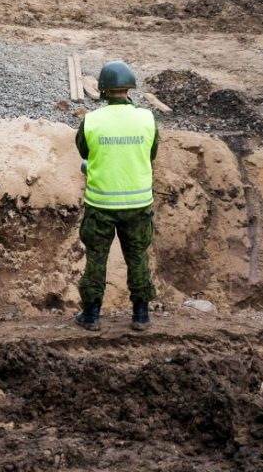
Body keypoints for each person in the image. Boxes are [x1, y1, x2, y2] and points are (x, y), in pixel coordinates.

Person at [74, 62, 159, 332]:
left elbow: (84, 152)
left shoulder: (91, 120)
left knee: (96, 257)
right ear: (129, 88)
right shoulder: (147, 119)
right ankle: (141, 315)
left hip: (101, 205)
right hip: (138, 205)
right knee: (137, 256)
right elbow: (151, 153)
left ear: (102, 90)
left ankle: (91, 316)